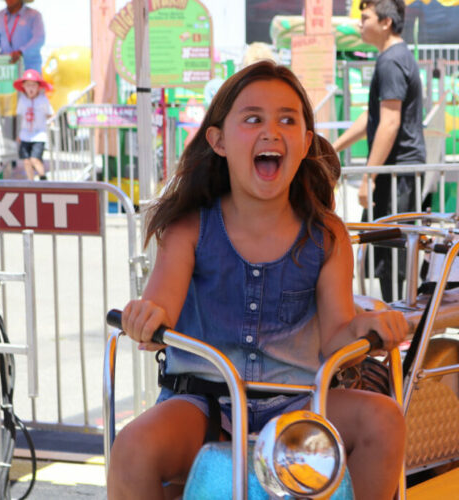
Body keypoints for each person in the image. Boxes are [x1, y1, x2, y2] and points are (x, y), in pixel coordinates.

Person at [108, 61, 408, 500]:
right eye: (253, 119)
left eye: (287, 120)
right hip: (202, 402)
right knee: (133, 447)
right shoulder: (189, 228)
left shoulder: (326, 235)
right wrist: (146, 317)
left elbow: (337, 335)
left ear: (305, 143)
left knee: (384, 419)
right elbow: (161, 309)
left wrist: (365, 327)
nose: (271, 131)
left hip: (301, 406)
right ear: (219, 141)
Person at [332, 0, 426, 302]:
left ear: (385, 22)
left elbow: (389, 122)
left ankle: (401, 328)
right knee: (387, 253)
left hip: (396, 171)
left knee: (394, 256)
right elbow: (372, 117)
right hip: (396, 171)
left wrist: (369, 177)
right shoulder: (392, 57)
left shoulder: (391, 61)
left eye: (365, 17)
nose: (360, 24)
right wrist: (333, 148)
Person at [13, 68, 51, 180]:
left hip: (39, 135)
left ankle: (43, 179)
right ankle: (31, 183)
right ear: (23, 86)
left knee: (35, 159)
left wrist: (51, 124)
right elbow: (19, 117)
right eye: (28, 85)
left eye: (33, 85)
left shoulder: (43, 100)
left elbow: (50, 113)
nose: (31, 88)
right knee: (26, 161)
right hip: (25, 134)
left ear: (38, 87)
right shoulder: (22, 100)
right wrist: (18, 134)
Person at [0, 0, 45, 72]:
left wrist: (21, 52)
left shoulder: (34, 15)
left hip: (29, 67)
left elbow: (39, 39)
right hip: (6, 68)